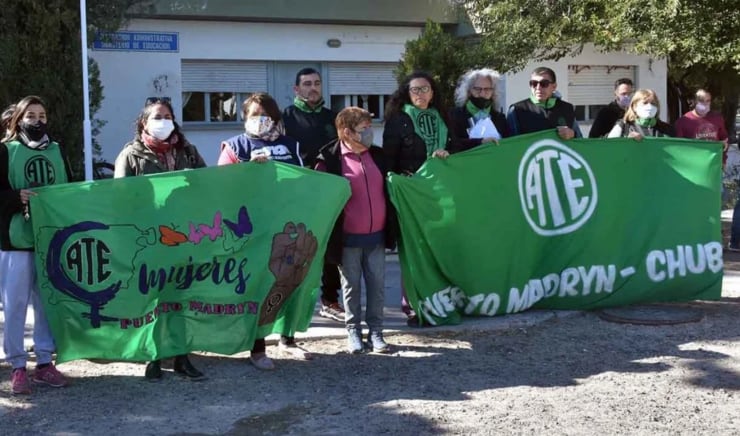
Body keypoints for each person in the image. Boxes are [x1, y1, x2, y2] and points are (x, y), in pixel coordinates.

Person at [114, 97, 207, 380]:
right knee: (151, 299)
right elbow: (120, 197)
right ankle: (152, 356)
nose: (163, 121)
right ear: (144, 121)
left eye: (167, 115)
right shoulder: (130, 154)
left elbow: (208, 186)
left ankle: (181, 356)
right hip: (149, 239)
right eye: (157, 116)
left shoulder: (188, 151)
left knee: (181, 298)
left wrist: (193, 182)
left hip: (182, 236)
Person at [219, 92, 311, 369]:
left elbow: (304, 182)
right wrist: (248, 171)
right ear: (244, 117)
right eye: (254, 114)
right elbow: (221, 185)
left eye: (266, 114)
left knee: (290, 282)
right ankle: (257, 347)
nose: (261, 119)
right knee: (259, 287)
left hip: (287, 226)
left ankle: (288, 337)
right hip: (253, 229)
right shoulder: (236, 146)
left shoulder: (291, 145)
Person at [0, 96, 71, 395]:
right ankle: (17, 366)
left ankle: (44, 362)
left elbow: (70, 189)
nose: (38, 121)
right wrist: (18, 198)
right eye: (31, 115)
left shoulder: (56, 151)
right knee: (14, 304)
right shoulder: (6, 151)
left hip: (50, 240)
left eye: (42, 115)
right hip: (15, 240)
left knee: (46, 303)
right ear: (19, 119)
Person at [316, 107, 396, 353]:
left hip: (377, 236)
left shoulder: (379, 156)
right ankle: (353, 332)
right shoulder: (329, 159)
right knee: (351, 287)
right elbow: (320, 196)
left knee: (377, 285)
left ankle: (376, 332)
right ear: (347, 132)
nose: (370, 132)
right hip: (347, 238)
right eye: (364, 128)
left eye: (370, 127)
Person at [383, 71, 454, 326]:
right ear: (406, 93)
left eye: (425, 89)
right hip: (410, 194)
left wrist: (480, 142)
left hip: (439, 193)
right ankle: (412, 305)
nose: (420, 94)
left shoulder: (443, 117)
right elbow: (388, 160)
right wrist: (392, 189)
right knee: (413, 250)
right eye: (415, 90)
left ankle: (438, 299)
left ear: (433, 92)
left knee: (437, 247)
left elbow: (456, 145)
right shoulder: (398, 119)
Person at [282, 67, 345, 324]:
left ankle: (330, 300)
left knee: (331, 246)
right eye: (307, 84)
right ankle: (290, 301)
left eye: (317, 83)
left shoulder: (334, 117)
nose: (313, 88)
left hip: (329, 190)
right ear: (296, 89)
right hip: (299, 191)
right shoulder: (285, 117)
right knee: (297, 247)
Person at [506, 66, 581, 140]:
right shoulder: (517, 110)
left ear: (554, 86)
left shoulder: (567, 108)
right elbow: (510, 143)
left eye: (544, 83)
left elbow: (581, 141)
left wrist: (573, 134)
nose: (538, 88)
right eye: (534, 83)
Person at [449, 68, 510, 150]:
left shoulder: (500, 118)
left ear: (493, 92)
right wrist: (480, 142)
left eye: (487, 89)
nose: (482, 94)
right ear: (469, 91)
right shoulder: (455, 115)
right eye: (477, 89)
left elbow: (508, 144)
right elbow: (451, 144)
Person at [675, 89, 729, 159]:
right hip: (693, 164)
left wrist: (723, 160)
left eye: (708, 101)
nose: (705, 104)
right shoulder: (682, 121)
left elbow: (725, 141)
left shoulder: (717, 119)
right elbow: (678, 147)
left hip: (713, 163)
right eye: (701, 100)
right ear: (694, 101)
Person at [607, 89, 674, 139]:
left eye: (653, 104)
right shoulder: (623, 126)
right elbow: (609, 147)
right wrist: (626, 140)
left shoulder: (666, 128)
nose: (649, 106)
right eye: (645, 103)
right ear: (634, 106)